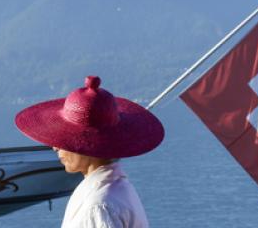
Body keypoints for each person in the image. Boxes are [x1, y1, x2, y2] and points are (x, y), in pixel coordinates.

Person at [15, 76, 164, 228]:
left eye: (65, 140)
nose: (56, 147)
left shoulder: (99, 206)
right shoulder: (117, 188)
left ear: (88, 145)